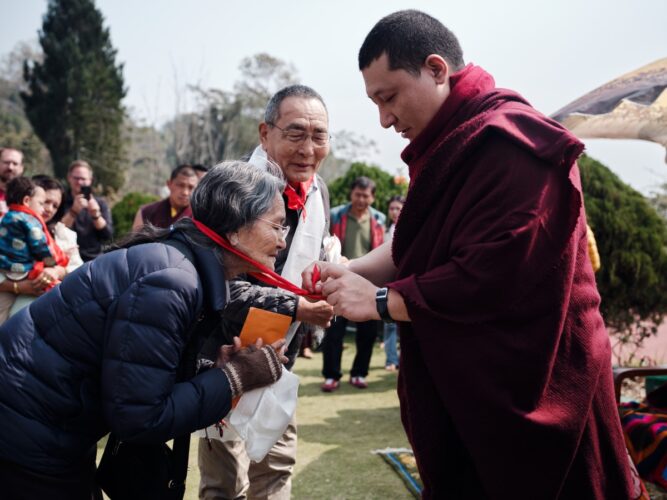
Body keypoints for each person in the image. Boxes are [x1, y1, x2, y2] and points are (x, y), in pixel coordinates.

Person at [302, 10, 646, 499]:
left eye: (389, 97)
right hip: (473, 380)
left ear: (437, 69)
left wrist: (382, 302)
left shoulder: (510, 141)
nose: (384, 119)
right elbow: (413, 242)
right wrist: (348, 271)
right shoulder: (450, 143)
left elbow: (497, 273)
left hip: (542, 374)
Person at [0, 161, 292, 499]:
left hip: (43, 427)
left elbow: (137, 373)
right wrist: (234, 378)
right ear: (235, 227)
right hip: (26, 432)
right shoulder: (170, 281)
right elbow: (139, 417)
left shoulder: (178, 267)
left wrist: (214, 371)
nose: (282, 241)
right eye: (277, 226)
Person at [198, 85, 334, 500]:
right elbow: (209, 279)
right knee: (224, 478)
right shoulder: (230, 186)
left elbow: (306, 263)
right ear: (264, 133)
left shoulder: (320, 191)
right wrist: (297, 305)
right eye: (295, 134)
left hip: (278, 351)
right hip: (225, 353)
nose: (307, 149)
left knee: (276, 467)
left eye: (319, 136)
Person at [320, 176, 385, 392]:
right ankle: (331, 375)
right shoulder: (337, 215)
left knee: (367, 333)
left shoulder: (379, 220)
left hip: (369, 282)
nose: (361, 199)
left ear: (373, 197)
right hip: (338, 279)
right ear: (351, 194)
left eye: (366, 196)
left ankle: (359, 373)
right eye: (358, 194)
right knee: (333, 332)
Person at [0, 177, 63, 322]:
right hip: (21, 275)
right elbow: (41, 247)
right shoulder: (31, 223)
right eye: (43, 202)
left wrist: (55, 271)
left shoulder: (64, 234)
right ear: (27, 200)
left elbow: (74, 268)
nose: (47, 209)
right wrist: (51, 264)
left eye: (55, 205)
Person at [60, 159, 113, 261]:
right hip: (66, 259)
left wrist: (95, 214)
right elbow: (57, 231)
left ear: (90, 180)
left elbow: (107, 236)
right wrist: (73, 211)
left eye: (83, 179)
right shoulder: (60, 201)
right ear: (69, 178)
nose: (79, 182)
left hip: (94, 259)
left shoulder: (100, 203)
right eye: (76, 178)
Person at [132, 164, 199, 230]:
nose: (185, 192)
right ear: (169, 184)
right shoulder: (146, 212)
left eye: (191, 187)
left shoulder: (199, 217)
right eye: (180, 185)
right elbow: (136, 240)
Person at [382, 194, 404, 372]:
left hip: (404, 282)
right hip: (388, 283)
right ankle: (391, 359)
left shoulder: (408, 229)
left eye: (398, 208)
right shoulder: (385, 229)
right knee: (389, 325)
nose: (395, 211)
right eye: (392, 208)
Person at [0, 147, 25, 217]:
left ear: (21, 168)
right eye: (6, 162)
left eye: (15, 164)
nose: (10, 167)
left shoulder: (26, 197)